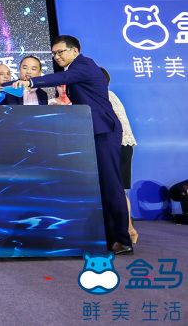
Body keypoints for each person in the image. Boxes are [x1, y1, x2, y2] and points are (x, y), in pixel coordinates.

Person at [12, 35, 132, 255]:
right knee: (99, 186)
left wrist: (31, 82)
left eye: (61, 52)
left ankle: (122, 240)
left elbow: (62, 78)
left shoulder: (84, 64)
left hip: (104, 131)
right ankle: (108, 237)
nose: (57, 57)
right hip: (90, 132)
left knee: (111, 184)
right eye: (54, 54)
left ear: (75, 51)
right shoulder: (75, 69)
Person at [101, 67, 138, 244]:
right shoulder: (108, 95)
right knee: (118, 190)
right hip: (121, 145)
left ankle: (128, 230)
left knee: (118, 190)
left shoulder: (105, 97)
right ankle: (126, 230)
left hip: (119, 146)